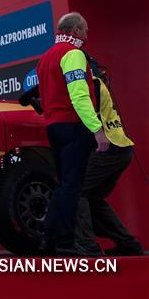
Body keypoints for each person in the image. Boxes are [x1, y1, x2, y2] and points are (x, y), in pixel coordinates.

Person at [37, 13, 109, 254]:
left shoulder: (45, 58)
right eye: (85, 30)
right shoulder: (73, 53)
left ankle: (47, 237)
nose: (87, 35)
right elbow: (79, 95)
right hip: (74, 125)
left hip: (53, 126)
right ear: (76, 31)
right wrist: (97, 129)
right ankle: (64, 242)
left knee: (65, 184)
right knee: (72, 186)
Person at [74, 59, 143, 256]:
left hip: (110, 148)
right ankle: (128, 244)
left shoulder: (92, 82)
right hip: (120, 148)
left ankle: (87, 244)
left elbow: (88, 113)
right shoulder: (100, 82)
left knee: (79, 191)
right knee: (93, 197)